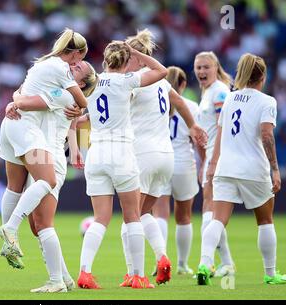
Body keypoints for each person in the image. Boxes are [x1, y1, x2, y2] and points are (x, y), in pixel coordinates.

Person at [119, 31, 208, 287]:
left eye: (127, 57)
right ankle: (162, 258)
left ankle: (133, 273)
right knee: (145, 213)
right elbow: (180, 102)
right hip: (165, 156)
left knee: (130, 216)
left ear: (136, 57)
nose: (124, 63)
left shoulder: (134, 80)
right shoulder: (160, 82)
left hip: (142, 155)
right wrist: (193, 126)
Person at [77, 40, 168, 290]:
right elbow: (162, 71)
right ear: (126, 61)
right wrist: (137, 52)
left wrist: (77, 150)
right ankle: (137, 276)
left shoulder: (92, 82)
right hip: (121, 153)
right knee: (133, 217)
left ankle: (85, 272)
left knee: (100, 219)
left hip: (96, 154)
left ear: (105, 61)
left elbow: (81, 117)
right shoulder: (127, 81)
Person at [1, 61, 98, 293]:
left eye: (77, 70)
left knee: (44, 224)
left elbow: (25, 99)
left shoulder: (63, 95)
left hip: (50, 160)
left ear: (81, 83)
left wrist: (14, 101)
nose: (71, 67)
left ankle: (55, 280)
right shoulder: (65, 95)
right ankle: (64, 278)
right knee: (38, 226)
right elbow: (28, 97)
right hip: (43, 157)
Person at [0, 28, 88, 263]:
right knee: (40, 217)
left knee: (23, 199)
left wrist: (14, 101)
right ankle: (11, 231)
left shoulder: (53, 78)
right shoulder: (61, 84)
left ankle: (11, 239)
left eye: (80, 67)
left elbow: (74, 124)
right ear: (74, 53)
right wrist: (16, 101)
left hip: (31, 139)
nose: (77, 65)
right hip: (33, 139)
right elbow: (75, 113)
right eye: (79, 60)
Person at [197, 53, 286, 285]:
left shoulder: (230, 98)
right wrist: (275, 170)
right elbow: (267, 135)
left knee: (218, 219)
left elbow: (220, 132)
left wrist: (213, 163)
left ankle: (203, 263)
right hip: (253, 169)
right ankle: (270, 274)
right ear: (263, 76)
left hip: (226, 167)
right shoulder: (267, 101)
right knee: (265, 220)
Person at [152, 66, 201, 276]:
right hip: (183, 163)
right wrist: (205, 164)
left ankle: (160, 260)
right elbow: (197, 139)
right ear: (182, 85)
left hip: (161, 159)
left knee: (160, 214)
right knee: (184, 216)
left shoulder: (156, 103)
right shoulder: (191, 106)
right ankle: (182, 264)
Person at [194, 51, 235, 277]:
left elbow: (224, 127)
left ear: (215, 67)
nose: (201, 71)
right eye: (198, 67)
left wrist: (213, 160)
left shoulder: (219, 91)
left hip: (217, 156)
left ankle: (206, 263)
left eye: (206, 67)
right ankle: (225, 263)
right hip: (211, 155)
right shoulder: (209, 92)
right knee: (212, 210)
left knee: (210, 208)